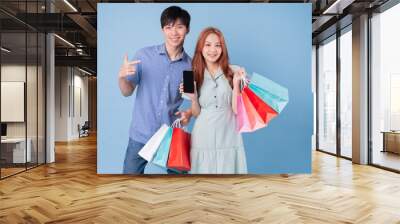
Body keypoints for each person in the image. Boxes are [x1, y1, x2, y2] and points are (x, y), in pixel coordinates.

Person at [119, 6, 192, 174]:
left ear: (187, 29)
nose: (174, 32)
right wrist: (122, 77)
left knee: (179, 188)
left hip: (171, 136)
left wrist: (189, 113)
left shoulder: (190, 66)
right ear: (162, 30)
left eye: (179, 27)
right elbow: (126, 91)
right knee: (128, 185)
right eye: (169, 27)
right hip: (141, 134)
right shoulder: (144, 56)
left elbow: (192, 99)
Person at [181, 27, 248, 174]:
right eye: (208, 44)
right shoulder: (190, 74)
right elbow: (197, 113)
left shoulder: (235, 70)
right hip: (203, 134)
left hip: (230, 133)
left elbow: (237, 110)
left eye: (217, 45)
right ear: (201, 47)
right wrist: (193, 98)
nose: (213, 50)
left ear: (223, 48)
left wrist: (236, 84)